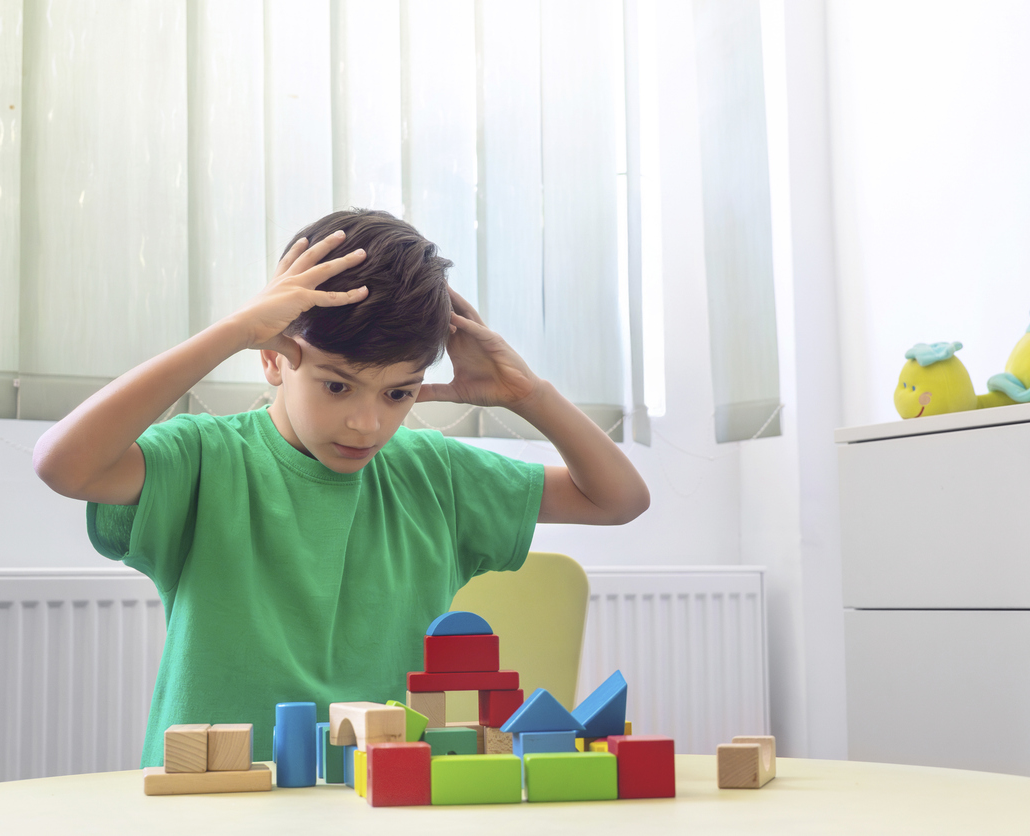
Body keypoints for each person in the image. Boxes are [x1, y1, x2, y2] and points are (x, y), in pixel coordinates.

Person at [32, 208, 650, 766]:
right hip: (215, 799)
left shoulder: (434, 474)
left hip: (380, 802)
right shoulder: (205, 459)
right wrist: (235, 330)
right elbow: (64, 464)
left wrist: (530, 396)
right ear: (273, 357)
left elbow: (619, 499)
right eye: (337, 386)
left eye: (398, 393)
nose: (367, 423)